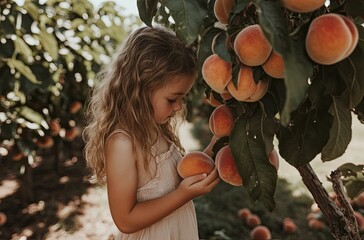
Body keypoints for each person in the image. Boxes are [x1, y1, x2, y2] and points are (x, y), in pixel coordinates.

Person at [83, 26, 220, 240]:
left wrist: (215, 147)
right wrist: (183, 195)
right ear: (141, 88)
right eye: (172, 99)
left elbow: (176, 178)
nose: (178, 107)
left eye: (182, 98)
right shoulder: (123, 143)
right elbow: (125, 220)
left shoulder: (157, 129)